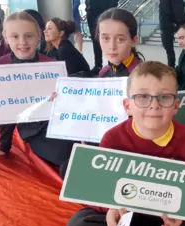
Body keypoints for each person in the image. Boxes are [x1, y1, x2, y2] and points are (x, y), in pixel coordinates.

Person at [66, 61, 185, 226]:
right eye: (143, 97)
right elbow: (98, 191)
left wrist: (182, 217)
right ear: (127, 105)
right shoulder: (112, 139)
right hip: (124, 219)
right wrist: (110, 207)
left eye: (164, 97)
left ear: (176, 105)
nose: (154, 105)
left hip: (164, 225)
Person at [0, 11, 75, 168]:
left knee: (86, 147)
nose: (22, 42)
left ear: (38, 37)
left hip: (61, 124)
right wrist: (4, 146)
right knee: (68, 158)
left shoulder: (52, 66)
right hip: (34, 131)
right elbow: (5, 111)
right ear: (6, 38)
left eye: (28, 36)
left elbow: (70, 105)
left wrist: (65, 98)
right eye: (15, 36)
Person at [58, 7, 143, 179]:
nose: (111, 46)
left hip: (131, 149)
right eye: (105, 38)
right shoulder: (104, 72)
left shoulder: (142, 76)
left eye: (120, 39)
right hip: (103, 141)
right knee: (67, 169)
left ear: (134, 40)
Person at [85, 0, 118, 75]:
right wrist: (87, 8)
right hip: (92, 11)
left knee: (109, 38)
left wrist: (111, 8)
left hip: (107, 11)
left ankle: (112, 65)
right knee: (95, 39)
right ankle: (98, 65)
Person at [159, 0, 185, 68]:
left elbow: (170, 10)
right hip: (169, 24)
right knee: (169, 48)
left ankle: (172, 66)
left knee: (169, 48)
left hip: (169, 24)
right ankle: (172, 66)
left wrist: (175, 22)